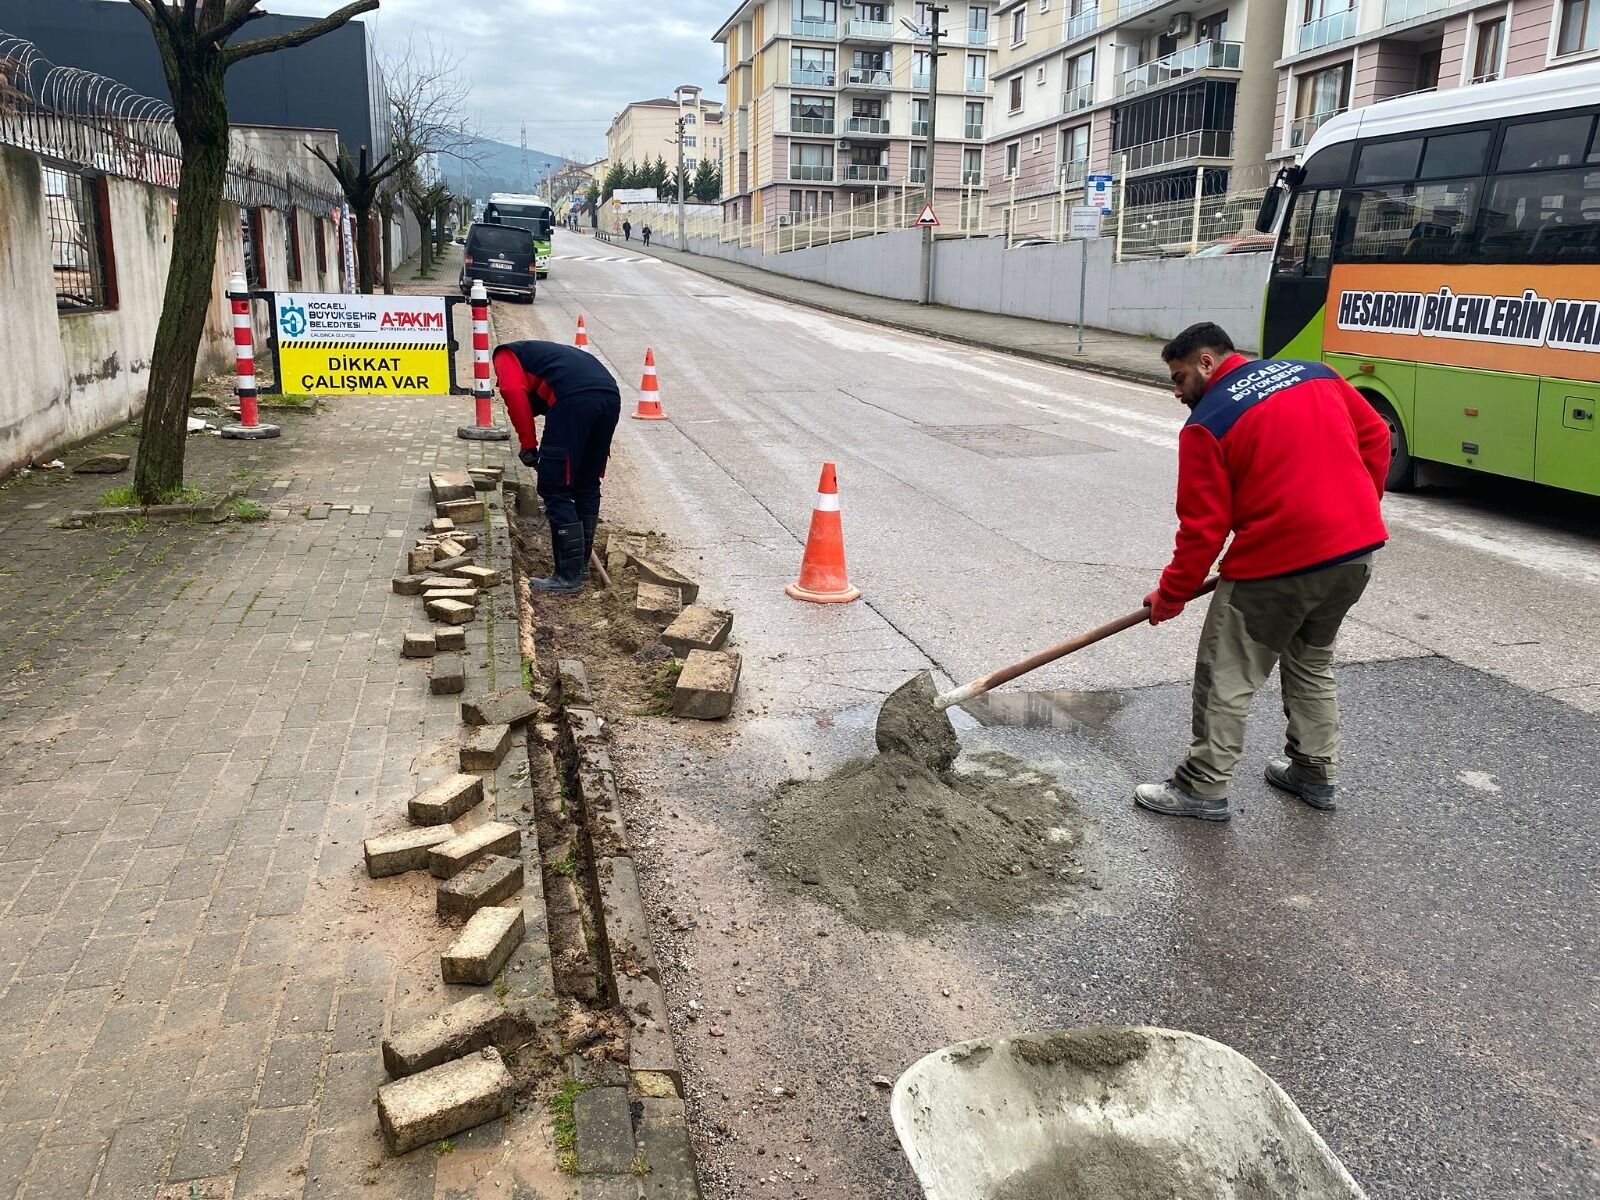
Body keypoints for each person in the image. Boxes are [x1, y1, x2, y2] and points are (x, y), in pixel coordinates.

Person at [1134, 323, 1391, 822]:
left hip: (1277, 566)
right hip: (1354, 555)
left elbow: (1203, 530)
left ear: (1207, 362)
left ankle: (1202, 786)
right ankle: (1314, 773)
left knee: (1226, 673)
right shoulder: (1317, 374)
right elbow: (1377, 436)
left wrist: (1171, 594)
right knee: (1311, 661)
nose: (1177, 391)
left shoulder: (1207, 423)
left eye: (1180, 377)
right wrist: (1356, 509)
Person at [492, 340, 622, 594]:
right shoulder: (546, 357)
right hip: (609, 396)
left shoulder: (504, 355)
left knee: (554, 487)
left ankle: (567, 577)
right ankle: (580, 568)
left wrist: (528, 444)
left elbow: (513, 392)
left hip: (573, 398)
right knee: (586, 484)